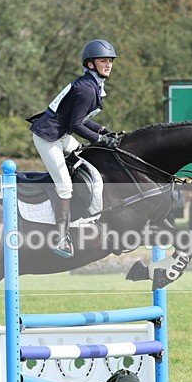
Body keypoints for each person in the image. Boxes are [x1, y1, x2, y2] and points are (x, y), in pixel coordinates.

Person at [29, 39, 120, 258]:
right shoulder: (86, 89)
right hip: (48, 138)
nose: (108, 64)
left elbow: (82, 119)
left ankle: (87, 216)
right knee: (65, 186)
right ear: (90, 64)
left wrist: (104, 130)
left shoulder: (93, 84)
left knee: (89, 160)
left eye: (110, 60)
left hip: (62, 136)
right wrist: (101, 139)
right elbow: (76, 124)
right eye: (103, 61)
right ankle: (61, 237)